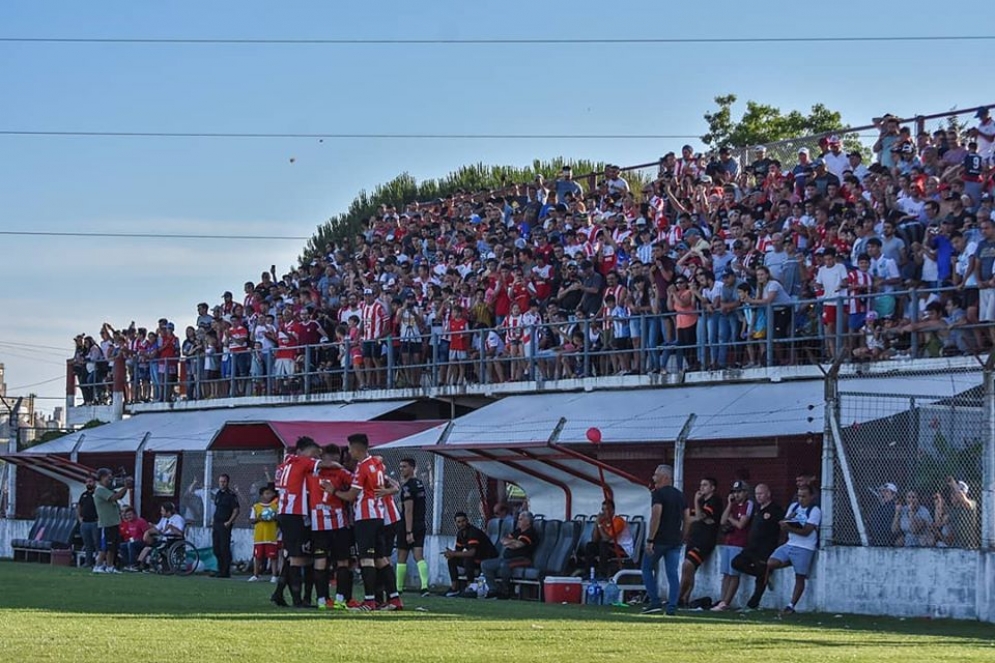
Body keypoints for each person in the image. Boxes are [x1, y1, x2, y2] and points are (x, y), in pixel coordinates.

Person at [328, 433, 402, 611]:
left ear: (356, 449)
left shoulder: (362, 468)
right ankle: (394, 599)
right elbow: (391, 481)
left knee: (367, 559)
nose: (349, 452)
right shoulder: (376, 464)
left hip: (365, 517)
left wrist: (333, 491)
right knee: (381, 559)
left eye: (350, 448)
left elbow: (351, 496)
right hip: (378, 516)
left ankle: (369, 601)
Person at [272, 436, 339, 608]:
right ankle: (298, 600)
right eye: (313, 454)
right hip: (296, 514)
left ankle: (280, 592)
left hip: (285, 512)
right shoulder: (302, 462)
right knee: (299, 558)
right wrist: (342, 468)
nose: (315, 458)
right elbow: (327, 465)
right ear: (300, 451)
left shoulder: (283, 465)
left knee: (294, 555)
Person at [759, 484, 821, 614]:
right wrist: (788, 522)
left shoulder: (815, 511)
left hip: (805, 547)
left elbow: (806, 531)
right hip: (790, 543)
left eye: (804, 496)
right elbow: (784, 522)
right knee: (771, 562)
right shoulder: (794, 507)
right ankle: (792, 562)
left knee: (799, 577)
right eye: (799, 496)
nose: (801, 499)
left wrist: (789, 527)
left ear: (811, 497)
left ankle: (791, 606)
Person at [309, 446, 356, 610]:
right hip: (338, 522)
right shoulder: (341, 472)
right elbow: (357, 483)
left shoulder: (312, 472)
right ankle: (340, 599)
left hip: (318, 522)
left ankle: (322, 600)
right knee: (342, 561)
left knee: (320, 561)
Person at [641, 464, 688, 615]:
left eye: (656, 475)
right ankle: (672, 606)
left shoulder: (658, 494)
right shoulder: (680, 495)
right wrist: (683, 536)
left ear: (665, 477)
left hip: (659, 540)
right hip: (675, 541)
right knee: (672, 573)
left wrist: (650, 540)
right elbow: (687, 517)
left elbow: (656, 516)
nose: (653, 478)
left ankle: (655, 601)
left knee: (646, 568)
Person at [732, 483, 786, 610]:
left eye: (761, 493)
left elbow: (782, 527)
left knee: (760, 578)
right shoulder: (757, 509)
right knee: (736, 563)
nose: (758, 496)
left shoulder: (775, 509)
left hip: (766, 548)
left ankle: (753, 604)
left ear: (768, 494)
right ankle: (762, 574)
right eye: (756, 494)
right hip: (751, 547)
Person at [678, 477, 722, 607]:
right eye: (701, 485)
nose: (701, 487)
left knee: (688, 564)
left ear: (712, 488)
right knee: (688, 570)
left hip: (704, 541)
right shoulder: (702, 501)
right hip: (693, 539)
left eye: (705, 485)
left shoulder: (714, 501)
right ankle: (684, 599)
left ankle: (678, 597)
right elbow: (691, 518)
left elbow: (701, 516)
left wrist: (696, 502)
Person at [710, 480, 754, 611]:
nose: (736, 495)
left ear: (746, 492)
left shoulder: (748, 504)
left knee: (734, 573)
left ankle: (726, 602)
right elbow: (722, 520)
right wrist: (729, 504)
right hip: (728, 541)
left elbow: (741, 524)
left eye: (739, 492)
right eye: (735, 492)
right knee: (726, 574)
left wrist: (731, 519)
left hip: (739, 543)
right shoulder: (733, 505)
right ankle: (722, 600)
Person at [481, 511, 539, 599]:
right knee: (485, 564)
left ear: (527, 522)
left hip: (522, 559)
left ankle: (505, 591)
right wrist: (512, 542)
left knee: (504, 565)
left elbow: (519, 545)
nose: (518, 521)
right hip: (507, 558)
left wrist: (510, 543)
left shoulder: (530, 532)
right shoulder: (518, 531)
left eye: (521, 519)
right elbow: (503, 540)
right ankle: (493, 589)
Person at [395, 457, 431, 596]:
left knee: (402, 555)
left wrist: (408, 531)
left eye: (404, 466)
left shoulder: (408, 487)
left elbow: (408, 510)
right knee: (418, 556)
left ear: (412, 468)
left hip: (408, 525)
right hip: (420, 523)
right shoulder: (420, 484)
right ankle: (424, 587)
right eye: (400, 467)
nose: (401, 469)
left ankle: (398, 588)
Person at [444, 511, 498, 597]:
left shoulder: (473, 532)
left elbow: (472, 553)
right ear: (456, 523)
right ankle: (454, 588)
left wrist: (454, 553)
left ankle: (470, 586)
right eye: (459, 522)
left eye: (463, 521)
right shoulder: (460, 534)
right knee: (452, 560)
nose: (461, 524)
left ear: (467, 520)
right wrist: (451, 554)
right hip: (475, 559)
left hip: (485, 559)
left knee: (468, 559)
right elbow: (458, 551)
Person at [92, 468, 131, 574]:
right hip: (106, 523)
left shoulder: (106, 489)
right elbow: (114, 497)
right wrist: (126, 486)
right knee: (105, 547)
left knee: (112, 547)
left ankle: (110, 566)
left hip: (113, 522)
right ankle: (98, 566)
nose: (110, 479)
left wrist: (125, 487)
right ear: (101, 477)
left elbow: (120, 495)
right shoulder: (100, 490)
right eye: (108, 477)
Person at [583, 499, 634, 579]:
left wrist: (600, 525)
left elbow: (606, 538)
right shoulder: (603, 521)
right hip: (610, 547)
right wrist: (596, 524)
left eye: (606, 509)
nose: (604, 512)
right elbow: (594, 540)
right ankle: (589, 573)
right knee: (590, 545)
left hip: (622, 549)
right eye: (602, 509)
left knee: (603, 545)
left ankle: (602, 575)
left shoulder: (618, 521)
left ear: (613, 511)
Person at [137, 501, 185, 570]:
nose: (161, 512)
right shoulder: (164, 519)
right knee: (147, 548)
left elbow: (180, 533)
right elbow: (158, 529)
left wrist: (171, 527)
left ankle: (148, 565)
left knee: (153, 549)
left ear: (168, 512)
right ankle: (138, 564)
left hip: (172, 540)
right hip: (163, 539)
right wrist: (150, 528)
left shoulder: (178, 519)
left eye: (162, 511)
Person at [248, 486, 280, 584]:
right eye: (267, 493)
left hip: (271, 536)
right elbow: (252, 520)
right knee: (258, 557)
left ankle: (274, 576)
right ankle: (255, 575)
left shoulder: (275, 507)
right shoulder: (256, 507)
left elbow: (279, 519)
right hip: (259, 537)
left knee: (273, 557)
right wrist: (259, 518)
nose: (269, 495)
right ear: (262, 495)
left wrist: (274, 518)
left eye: (270, 493)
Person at [211, 473, 240, 578]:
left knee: (224, 548)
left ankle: (225, 571)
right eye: (220, 482)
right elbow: (217, 508)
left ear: (227, 482)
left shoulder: (231, 495)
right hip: (216, 523)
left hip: (225, 524)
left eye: (224, 482)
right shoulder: (218, 494)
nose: (222, 484)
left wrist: (229, 522)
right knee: (216, 548)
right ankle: (220, 569)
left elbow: (236, 510)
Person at [76, 475, 100, 568]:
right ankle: (88, 562)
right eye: (87, 482)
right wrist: (79, 517)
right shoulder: (84, 495)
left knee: (97, 543)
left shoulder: (98, 493)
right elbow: (79, 506)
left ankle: (98, 562)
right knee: (87, 544)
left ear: (95, 482)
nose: (88, 483)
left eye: (90, 481)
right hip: (85, 523)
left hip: (95, 522)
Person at [118, 506, 149, 571]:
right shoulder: (129, 523)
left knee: (131, 544)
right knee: (121, 546)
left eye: (130, 514)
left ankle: (133, 565)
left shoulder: (141, 521)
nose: (128, 516)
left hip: (142, 541)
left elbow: (147, 532)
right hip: (134, 541)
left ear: (135, 514)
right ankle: (127, 564)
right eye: (127, 515)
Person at [868, 482, 900, 546]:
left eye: (887, 491)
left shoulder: (895, 506)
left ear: (894, 494)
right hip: (876, 540)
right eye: (882, 491)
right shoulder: (879, 507)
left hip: (889, 541)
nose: (883, 494)